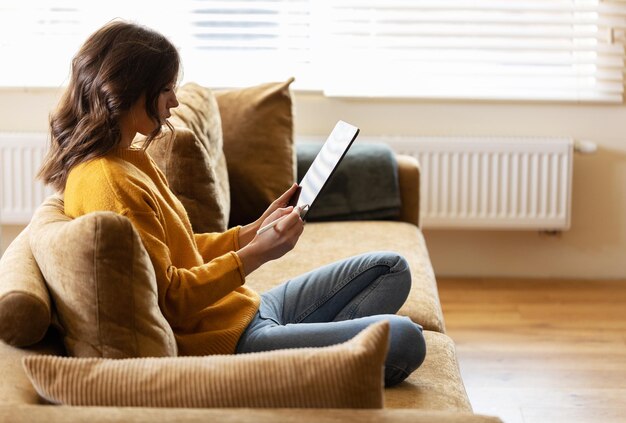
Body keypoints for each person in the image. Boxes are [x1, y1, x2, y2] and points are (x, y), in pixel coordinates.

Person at [38, 20, 426, 386]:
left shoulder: (129, 158)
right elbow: (172, 299)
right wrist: (257, 255)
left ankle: (310, 352)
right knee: (407, 339)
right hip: (229, 342)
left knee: (391, 268)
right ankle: (309, 362)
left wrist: (253, 231)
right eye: (167, 88)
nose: (174, 101)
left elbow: (181, 251)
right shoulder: (109, 183)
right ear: (130, 89)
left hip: (243, 309)